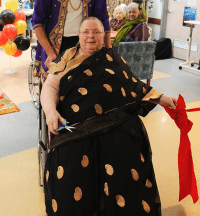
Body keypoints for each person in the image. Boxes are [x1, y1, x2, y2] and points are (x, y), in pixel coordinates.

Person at [41, 17, 177, 216]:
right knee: (69, 160)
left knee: (127, 145)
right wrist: (51, 112)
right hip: (73, 126)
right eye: (86, 32)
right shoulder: (66, 58)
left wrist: (162, 98)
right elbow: (50, 86)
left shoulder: (113, 58)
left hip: (118, 121)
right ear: (78, 35)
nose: (91, 37)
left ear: (103, 35)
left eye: (96, 32)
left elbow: (134, 86)